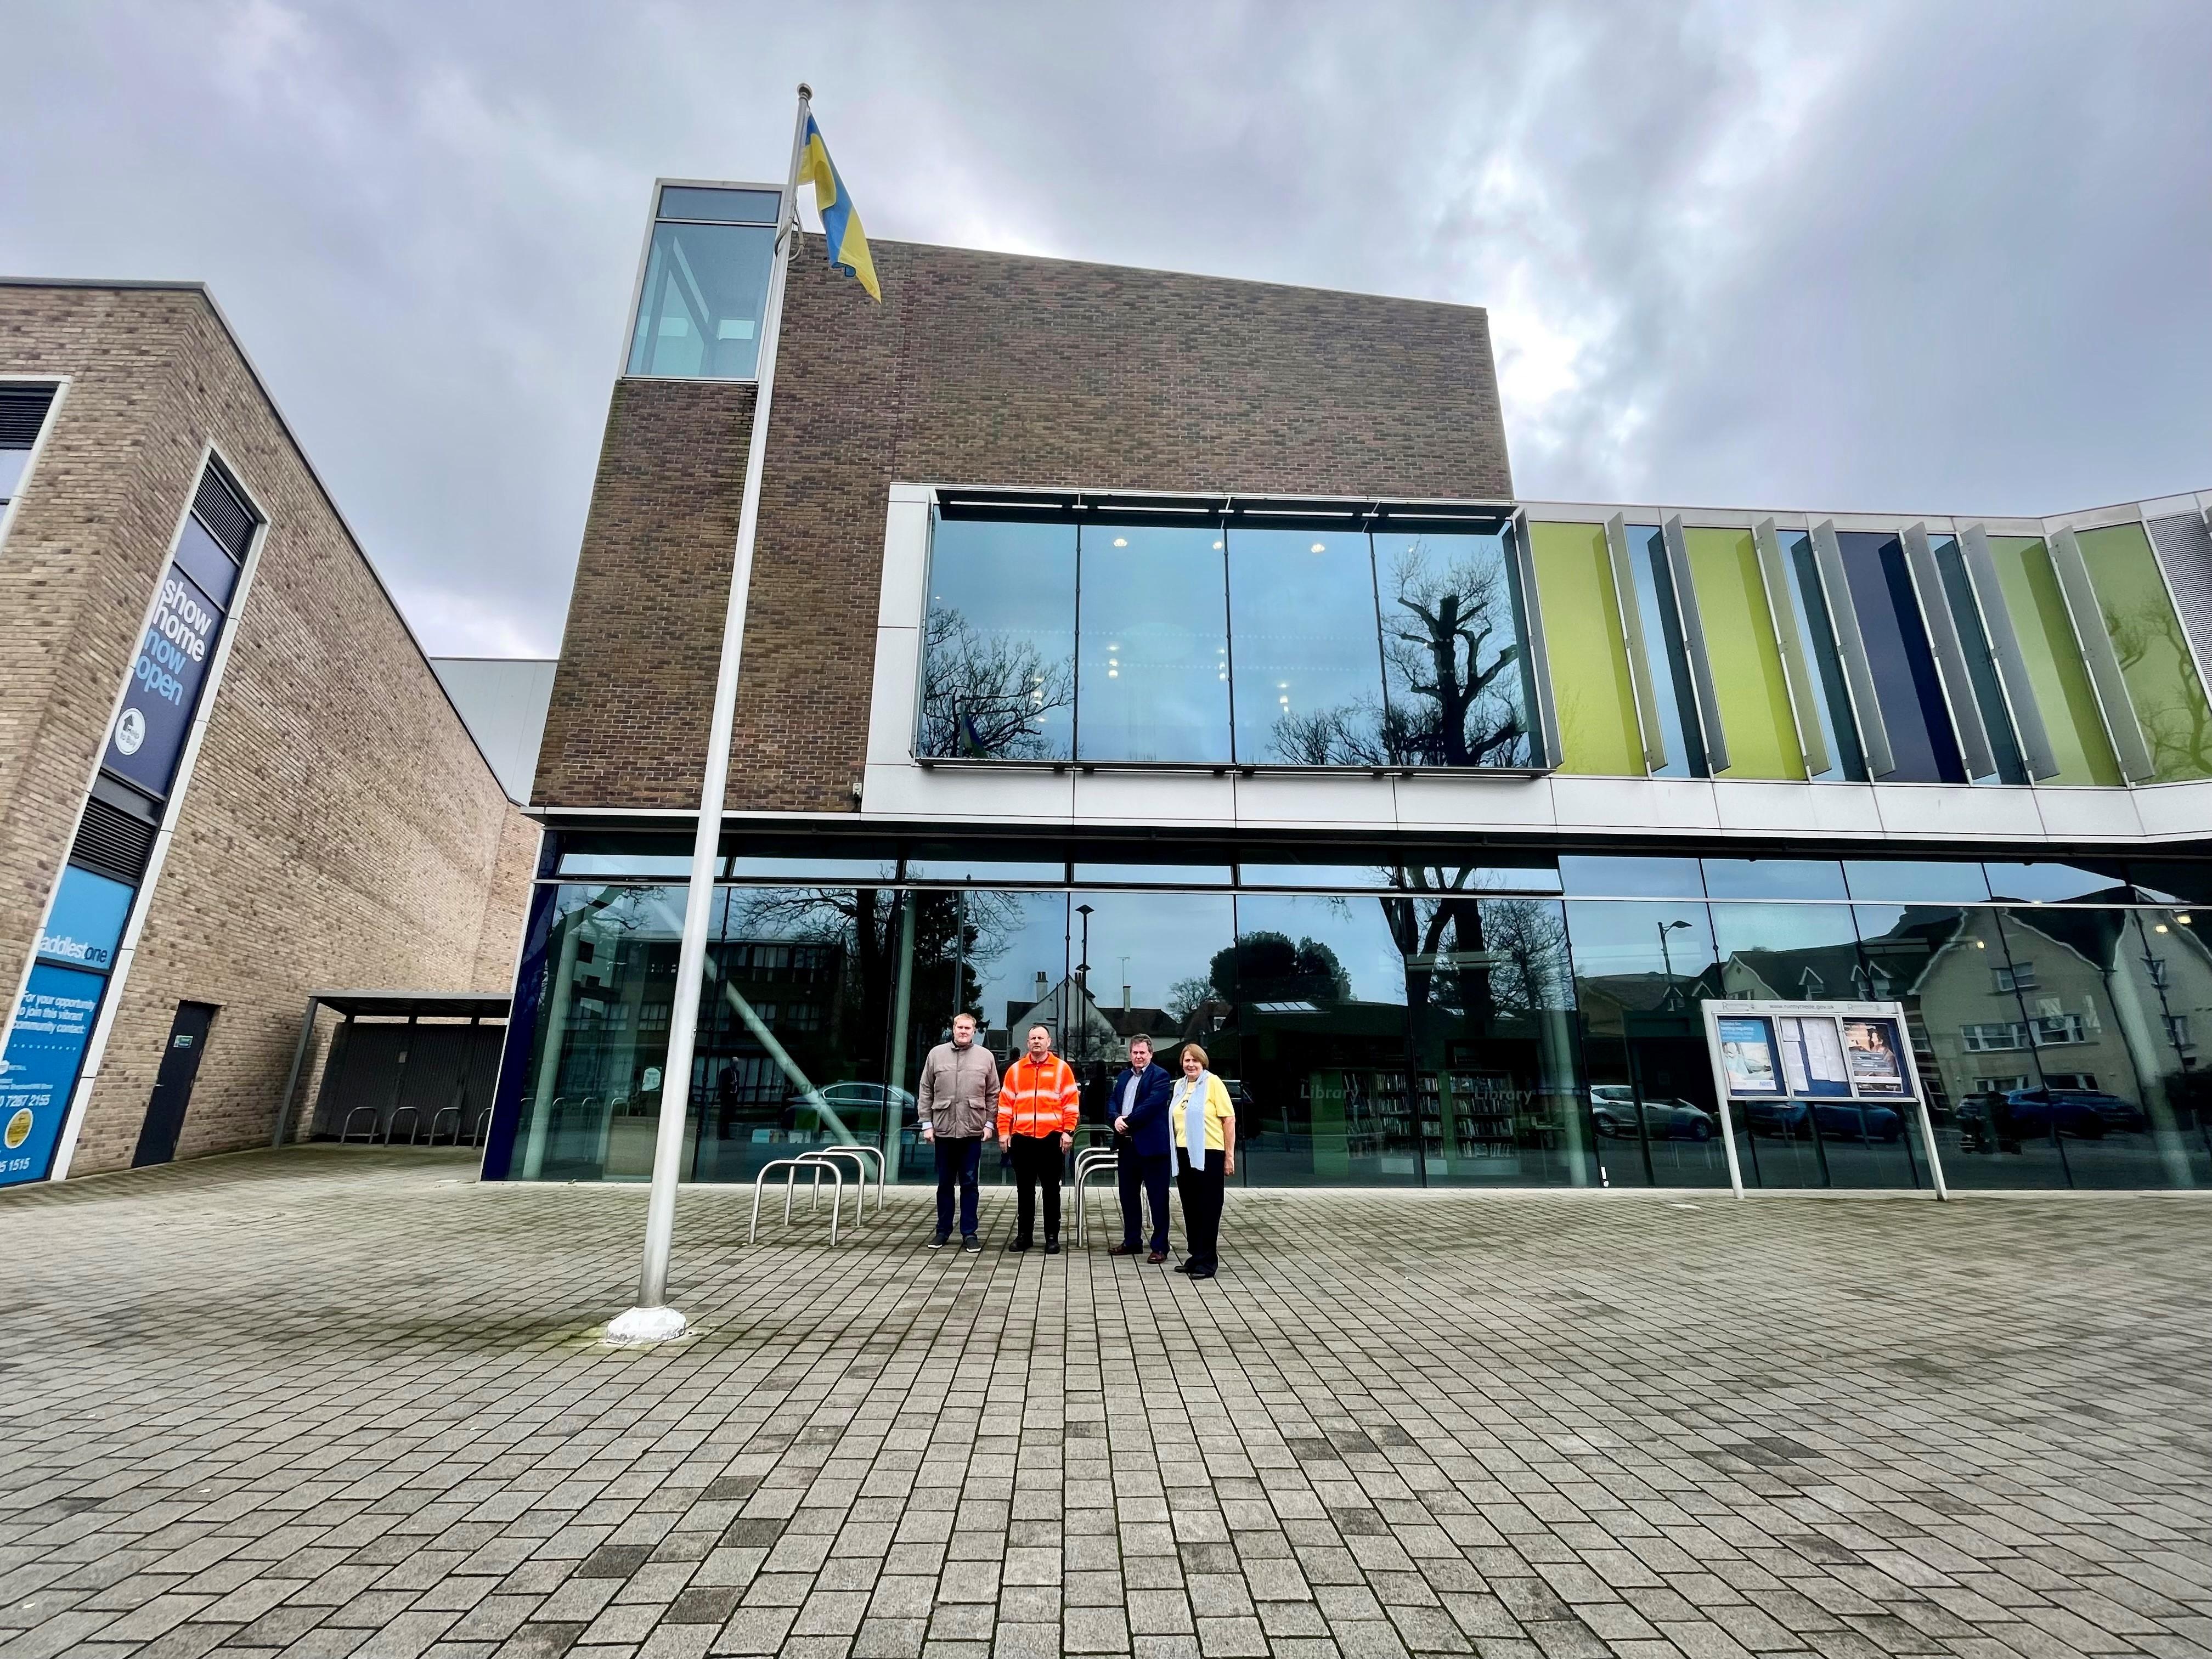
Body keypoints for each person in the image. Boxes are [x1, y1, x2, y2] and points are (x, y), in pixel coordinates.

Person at [916, 1012, 998, 1251]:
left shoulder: (985, 1057)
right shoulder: (936, 1054)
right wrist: (927, 1124)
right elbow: (925, 1090)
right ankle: (942, 1231)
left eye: (968, 1028)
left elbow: (994, 1093)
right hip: (942, 1130)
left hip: (973, 1131)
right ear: (953, 1029)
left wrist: (990, 1124)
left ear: (975, 1031)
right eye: (959, 1027)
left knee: (970, 1184)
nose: (963, 1031)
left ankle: (969, 1233)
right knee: (944, 1184)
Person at [998, 1024, 1078, 1253]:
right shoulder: (1015, 1070)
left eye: (1040, 1038)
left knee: (1052, 1190)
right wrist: (1004, 1132)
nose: (1036, 1041)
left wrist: (1068, 1131)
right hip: (1022, 1138)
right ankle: (1024, 1236)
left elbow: (1071, 1103)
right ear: (1027, 1043)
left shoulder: (1062, 1069)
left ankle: (1052, 1237)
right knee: (1025, 1191)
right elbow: (1005, 1105)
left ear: (1049, 1042)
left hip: (1051, 1138)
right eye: (1033, 1038)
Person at [1169, 1042, 1235, 1279]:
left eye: (1195, 1060)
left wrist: (1229, 1156)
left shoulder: (1213, 1083)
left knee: (1208, 1208)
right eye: (1187, 1061)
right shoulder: (1179, 1086)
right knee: (1191, 1207)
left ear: (1203, 1062)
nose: (1191, 1064)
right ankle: (1196, 1255)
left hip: (1210, 1153)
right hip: (1184, 1153)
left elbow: (1229, 1120)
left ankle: (1208, 1261)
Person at [1107, 1035, 1175, 1262]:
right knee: (1128, 1197)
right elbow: (1112, 1101)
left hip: (1153, 1148)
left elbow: (1152, 1104)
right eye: (1135, 1053)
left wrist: (1128, 1121)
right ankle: (1132, 1241)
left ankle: (1160, 1246)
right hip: (1127, 1147)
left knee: (1157, 1198)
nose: (1138, 1056)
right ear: (1130, 1054)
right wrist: (1116, 1118)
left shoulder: (1160, 1076)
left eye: (1142, 1053)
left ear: (1151, 1054)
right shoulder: (1124, 1076)